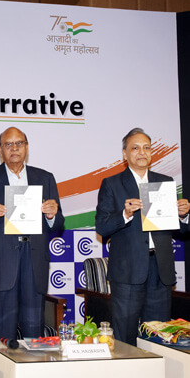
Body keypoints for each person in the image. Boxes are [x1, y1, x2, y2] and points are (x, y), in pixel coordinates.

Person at [0, 127, 64, 340]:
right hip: (1, 264)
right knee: (1, 335)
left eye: (19, 143)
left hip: (34, 261)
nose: (14, 148)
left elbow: (58, 224)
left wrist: (52, 215)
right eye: (8, 144)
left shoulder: (45, 178)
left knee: (33, 333)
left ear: (27, 147)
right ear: (0, 150)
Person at [95, 127, 189, 345]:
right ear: (125, 154)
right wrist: (125, 214)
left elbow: (179, 230)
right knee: (125, 339)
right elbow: (102, 226)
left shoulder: (164, 182)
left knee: (158, 337)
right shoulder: (112, 184)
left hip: (160, 270)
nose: (142, 152)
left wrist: (183, 216)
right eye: (135, 148)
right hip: (128, 272)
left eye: (147, 147)